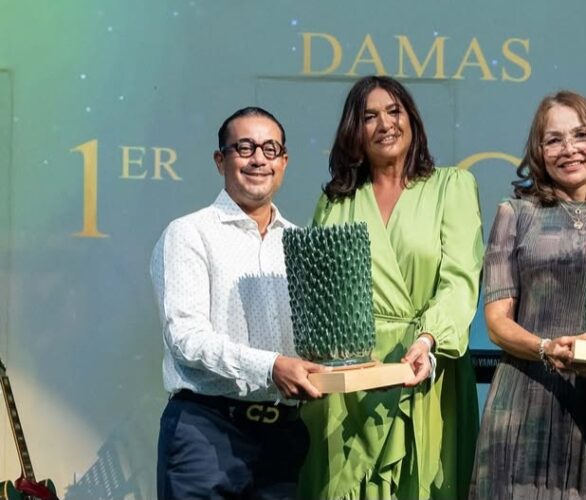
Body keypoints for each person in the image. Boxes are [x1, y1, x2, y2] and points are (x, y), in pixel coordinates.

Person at [469, 91, 586, 499]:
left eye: (580, 135)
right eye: (553, 140)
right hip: (529, 403)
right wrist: (545, 348)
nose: (569, 149)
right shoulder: (515, 214)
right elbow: (497, 322)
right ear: (539, 152)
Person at [298, 76, 483, 500]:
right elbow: (317, 297)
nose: (385, 123)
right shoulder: (335, 201)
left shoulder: (451, 186)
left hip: (425, 367)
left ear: (412, 119)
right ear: (354, 130)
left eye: (394, 111)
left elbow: (460, 280)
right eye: (370, 116)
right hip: (350, 382)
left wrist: (429, 339)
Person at [151, 106, 326, 500]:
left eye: (270, 149)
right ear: (221, 160)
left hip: (283, 438)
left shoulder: (298, 242)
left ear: (284, 162)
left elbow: (309, 344)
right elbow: (186, 338)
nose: (258, 159)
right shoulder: (189, 233)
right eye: (245, 148)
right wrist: (271, 366)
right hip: (207, 432)